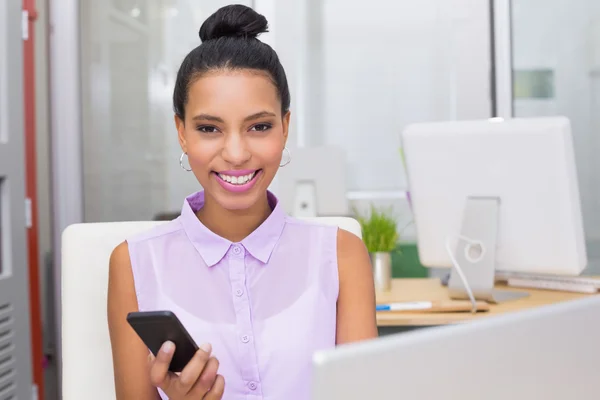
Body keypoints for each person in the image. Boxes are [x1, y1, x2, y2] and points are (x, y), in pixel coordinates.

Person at [107, 4, 378, 399]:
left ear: (285, 128)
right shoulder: (133, 265)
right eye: (208, 128)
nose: (235, 153)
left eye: (259, 126)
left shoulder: (341, 255)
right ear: (181, 132)